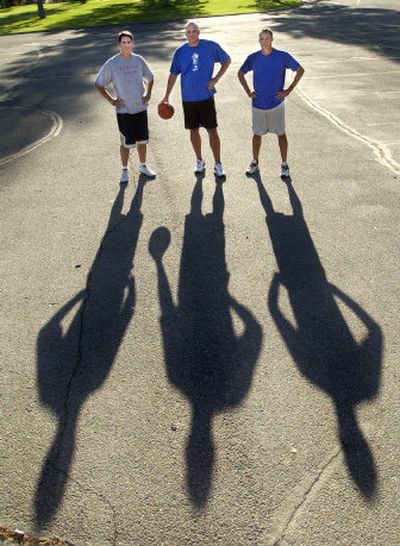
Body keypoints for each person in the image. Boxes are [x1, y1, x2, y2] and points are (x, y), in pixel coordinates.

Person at [160, 21, 231, 177]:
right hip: (188, 98)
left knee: (212, 131)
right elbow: (173, 75)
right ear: (186, 34)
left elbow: (227, 60)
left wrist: (216, 79)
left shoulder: (210, 46)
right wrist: (166, 96)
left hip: (205, 97)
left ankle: (218, 163)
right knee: (193, 131)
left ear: (199, 32)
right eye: (188, 32)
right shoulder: (180, 52)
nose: (192, 34)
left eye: (194, 31)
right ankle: (199, 160)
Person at [238, 28, 304, 179]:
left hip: (276, 103)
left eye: (267, 38)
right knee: (256, 134)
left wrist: (288, 90)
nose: (264, 41)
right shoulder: (253, 58)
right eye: (262, 39)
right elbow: (240, 73)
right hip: (258, 104)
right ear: (259, 41)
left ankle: (284, 165)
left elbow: (300, 70)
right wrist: (248, 91)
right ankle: (255, 162)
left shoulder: (282, 56)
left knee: (281, 134)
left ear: (272, 40)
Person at [95, 30, 156, 183]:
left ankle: (143, 166)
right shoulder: (112, 63)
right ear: (119, 45)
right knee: (126, 143)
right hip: (124, 110)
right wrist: (111, 100)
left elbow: (151, 77)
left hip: (140, 108)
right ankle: (124, 170)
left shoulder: (139, 60)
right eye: (124, 43)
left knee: (142, 140)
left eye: (129, 42)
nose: (127, 45)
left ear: (132, 43)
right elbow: (99, 83)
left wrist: (148, 94)